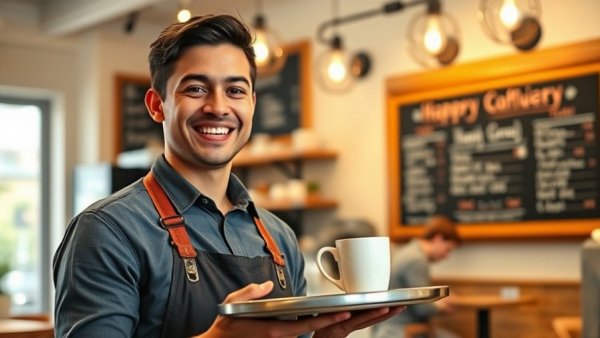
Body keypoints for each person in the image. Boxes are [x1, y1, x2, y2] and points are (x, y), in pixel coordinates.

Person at [53, 14, 404, 338]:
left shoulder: (279, 239)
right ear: (157, 105)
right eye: (196, 89)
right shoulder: (107, 230)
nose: (218, 107)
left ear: (252, 103)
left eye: (235, 90)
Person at [371, 215, 462, 338]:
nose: (446, 256)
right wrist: (442, 305)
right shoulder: (416, 260)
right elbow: (423, 309)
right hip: (399, 331)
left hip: (385, 328)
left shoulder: (407, 251)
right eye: (448, 249)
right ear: (438, 238)